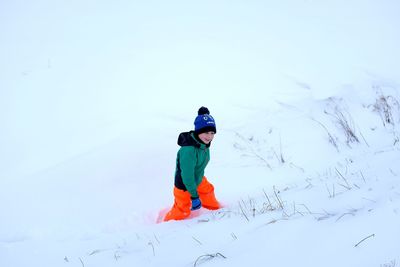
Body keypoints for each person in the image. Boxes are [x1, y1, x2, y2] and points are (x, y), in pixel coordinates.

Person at [164, 106, 220, 221]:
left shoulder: (203, 144)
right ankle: (167, 225)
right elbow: (187, 176)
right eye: (206, 132)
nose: (210, 137)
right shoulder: (188, 150)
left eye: (212, 133)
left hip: (198, 179)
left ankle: (216, 212)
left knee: (208, 190)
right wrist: (194, 196)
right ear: (198, 131)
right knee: (182, 211)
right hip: (184, 185)